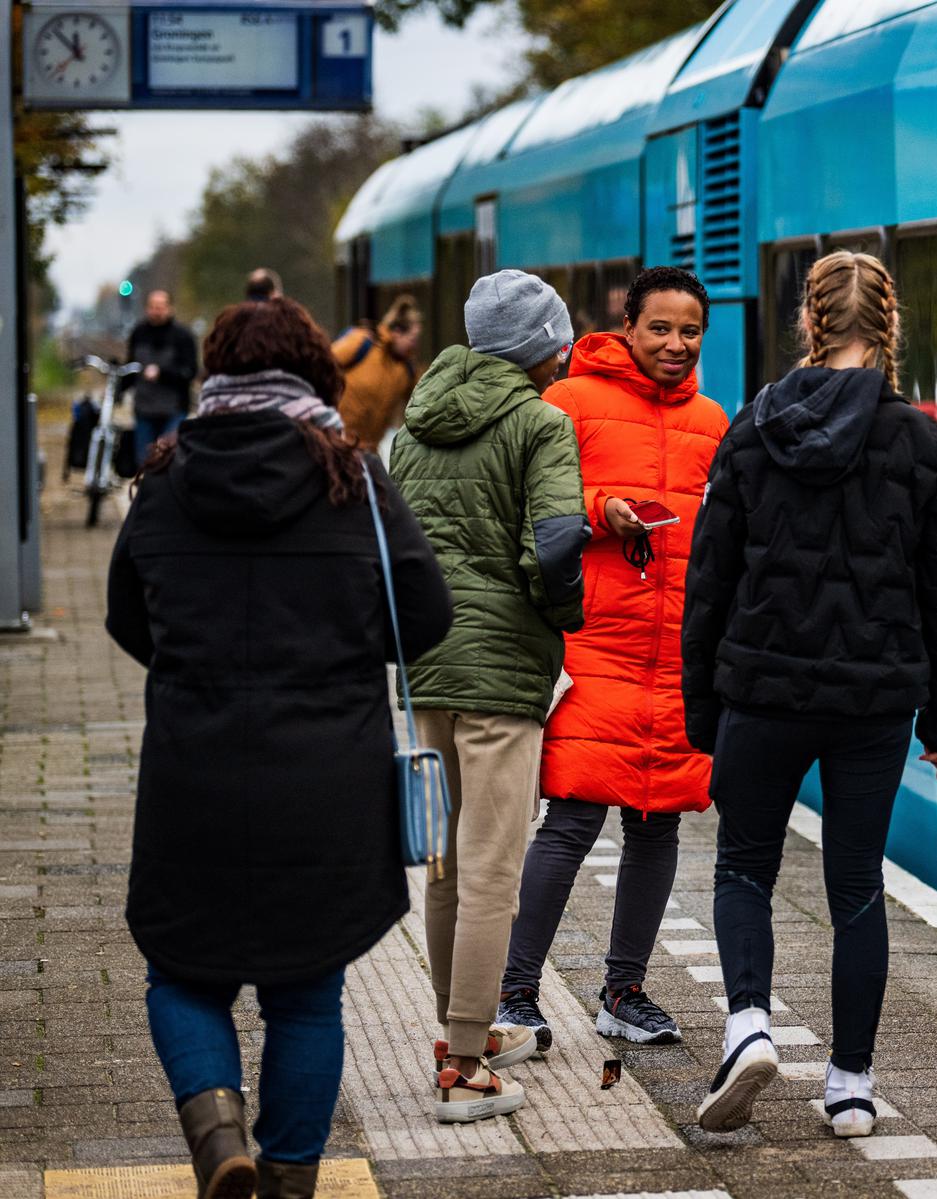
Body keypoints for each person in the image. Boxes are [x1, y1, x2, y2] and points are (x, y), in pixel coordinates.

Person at [105, 297, 453, 1199]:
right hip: (327, 777)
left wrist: (200, 670)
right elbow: (426, 615)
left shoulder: (166, 475)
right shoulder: (355, 477)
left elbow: (125, 615)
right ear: (317, 372)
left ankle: (221, 1140)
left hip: (195, 768)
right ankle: (291, 1177)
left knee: (181, 973)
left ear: (213, 373)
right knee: (307, 988)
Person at [682, 251, 937, 1138]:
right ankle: (849, 1085)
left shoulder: (750, 430)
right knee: (855, 887)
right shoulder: (922, 442)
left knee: (743, 867)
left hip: (762, 689)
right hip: (874, 701)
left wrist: (704, 710)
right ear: (889, 328)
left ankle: (748, 1026)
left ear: (809, 325)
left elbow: (710, 580)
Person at [494, 267, 729, 1052]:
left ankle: (623, 991)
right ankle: (515, 993)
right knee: (571, 817)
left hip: (676, 653)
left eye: (688, 330)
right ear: (626, 326)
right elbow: (533, 507)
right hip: (593, 644)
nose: (674, 343)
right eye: (659, 327)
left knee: (658, 824)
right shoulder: (569, 403)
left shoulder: (712, 420)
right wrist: (603, 513)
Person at [389, 270, 590, 1123]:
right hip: (503, 676)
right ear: (546, 344)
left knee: (443, 866)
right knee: (492, 872)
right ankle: (465, 1066)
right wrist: (563, 617)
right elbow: (551, 548)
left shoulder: (413, 429)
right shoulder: (542, 424)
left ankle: (457, 1028)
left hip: (425, 666)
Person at [333, 296, 423, 447]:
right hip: (337, 440)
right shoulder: (363, 342)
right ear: (397, 332)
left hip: (368, 449)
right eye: (412, 339)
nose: (414, 346)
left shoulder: (407, 370)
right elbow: (323, 363)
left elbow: (421, 404)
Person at [126, 289, 199, 464]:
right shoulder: (138, 333)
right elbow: (130, 366)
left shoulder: (183, 336)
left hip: (174, 410)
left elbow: (191, 371)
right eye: (152, 306)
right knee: (144, 461)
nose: (156, 311)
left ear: (170, 308)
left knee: (169, 460)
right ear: (146, 308)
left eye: (160, 307)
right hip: (143, 409)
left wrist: (162, 374)